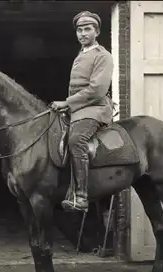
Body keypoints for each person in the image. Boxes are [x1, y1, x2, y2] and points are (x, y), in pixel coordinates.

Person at [51, 10, 114, 213]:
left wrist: (67, 103)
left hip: (95, 109)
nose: (82, 33)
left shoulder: (103, 56)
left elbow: (97, 90)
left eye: (87, 29)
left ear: (97, 32)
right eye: (79, 30)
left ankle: (81, 196)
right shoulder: (81, 55)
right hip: (78, 109)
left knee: (76, 140)